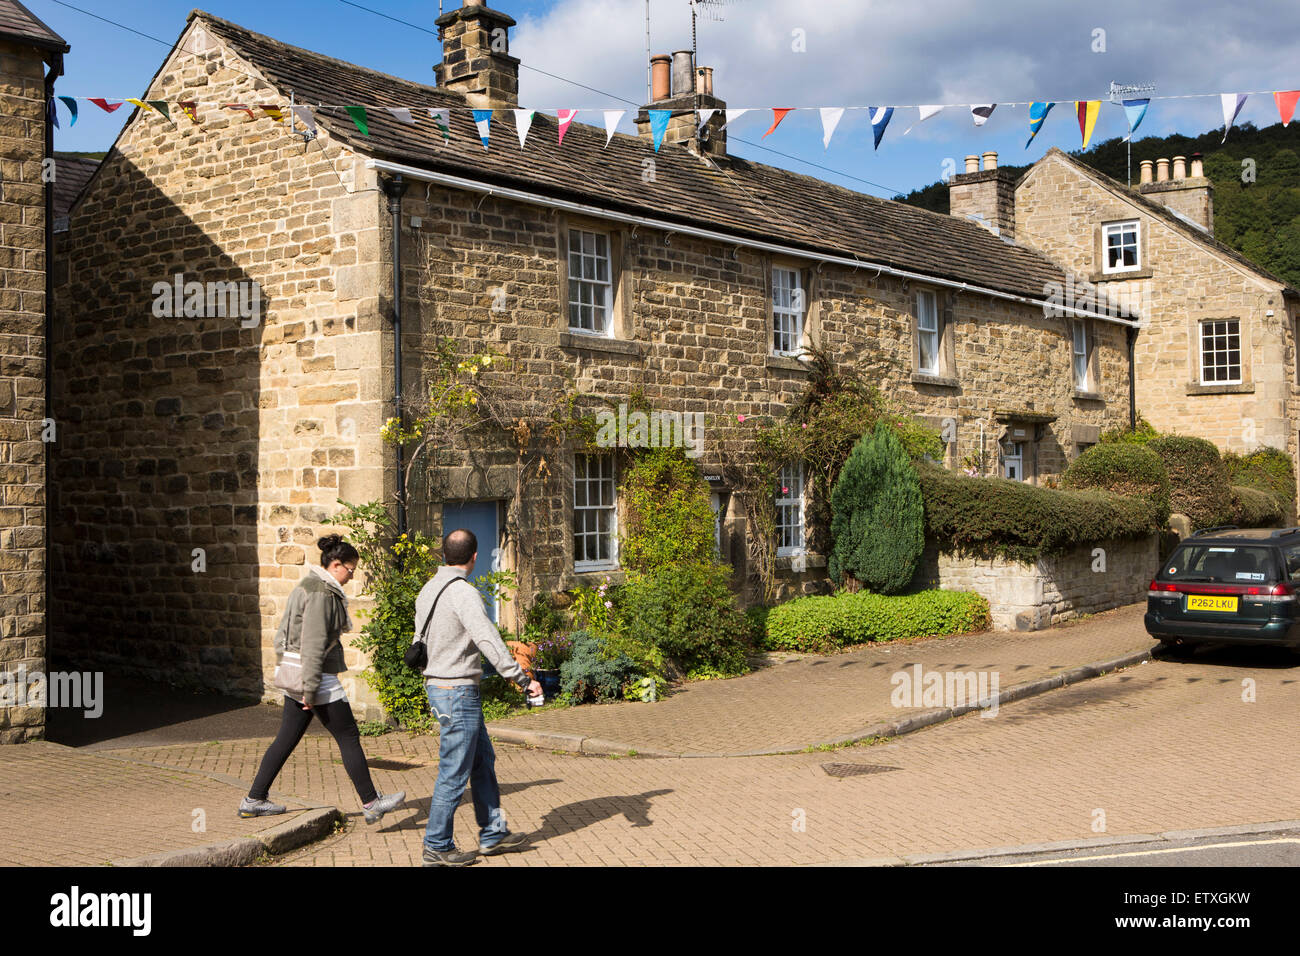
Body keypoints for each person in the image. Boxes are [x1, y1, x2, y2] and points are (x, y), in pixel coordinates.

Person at [240, 534, 405, 824]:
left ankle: (254, 799)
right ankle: (371, 803)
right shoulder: (321, 593)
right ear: (336, 564)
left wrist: (292, 673)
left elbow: (281, 636)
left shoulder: (305, 585)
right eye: (351, 570)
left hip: (299, 673)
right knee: (348, 736)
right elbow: (314, 643)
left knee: (286, 739)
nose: (352, 576)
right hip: (317, 678)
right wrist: (310, 687)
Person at [417, 528, 543, 867]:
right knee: (454, 772)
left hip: (441, 689)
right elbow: (489, 641)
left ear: (444, 554)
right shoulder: (464, 594)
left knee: (482, 762)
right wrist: (522, 679)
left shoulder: (428, 590)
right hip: (457, 692)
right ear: (474, 557)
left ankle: (493, 833)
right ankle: (436, 845)